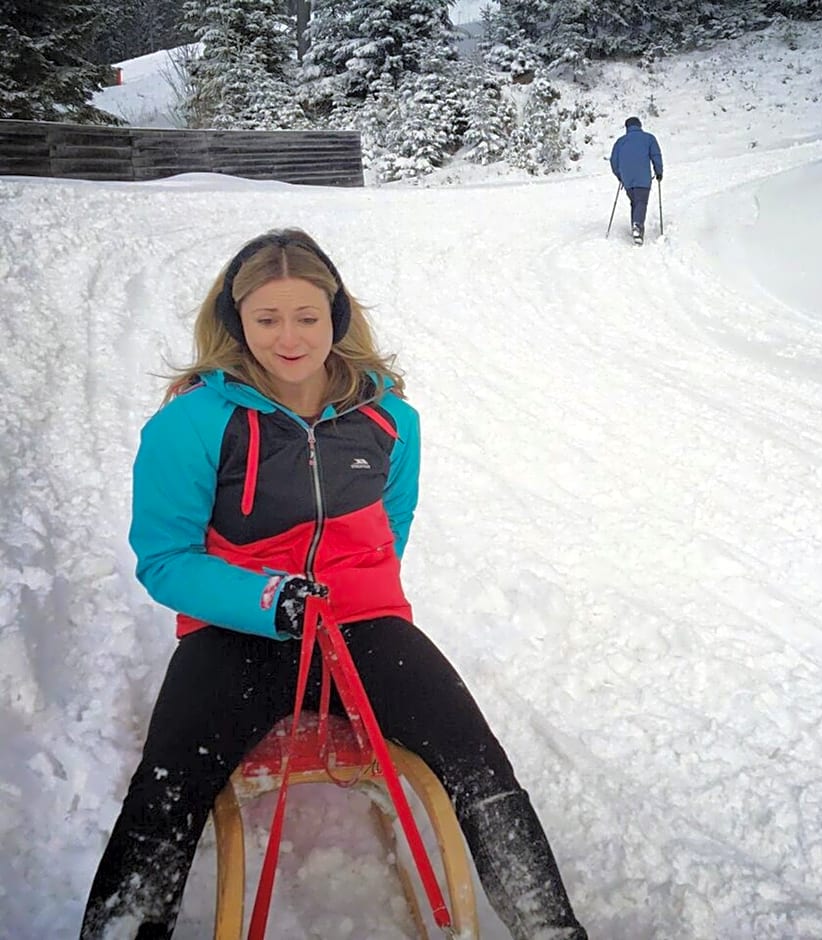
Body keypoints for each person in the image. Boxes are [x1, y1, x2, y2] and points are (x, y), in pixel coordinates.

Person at [80, 228, 588, 940]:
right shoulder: (191, 424)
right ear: (236, 320)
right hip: (236, 630)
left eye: (307, 317)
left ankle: (552, 929)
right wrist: (270, 599)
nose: (289, 338)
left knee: (479, 763)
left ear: (336, 316)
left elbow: (390, 527)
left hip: (363, 628)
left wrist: (356, 593)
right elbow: (166, 558)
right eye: (267, 319)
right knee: (168, 784)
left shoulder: (389, 419)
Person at [609, 116, 663, 245]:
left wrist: (620, 176)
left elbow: (614, 161)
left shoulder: (620, 142)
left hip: (627, 178)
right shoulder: (649, 138)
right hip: (642, 177)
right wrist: (659, 171)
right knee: (641, 202)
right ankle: (637, 226)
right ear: (639, 125)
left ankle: (636, 226)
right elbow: (656, 155)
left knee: (635, 202)